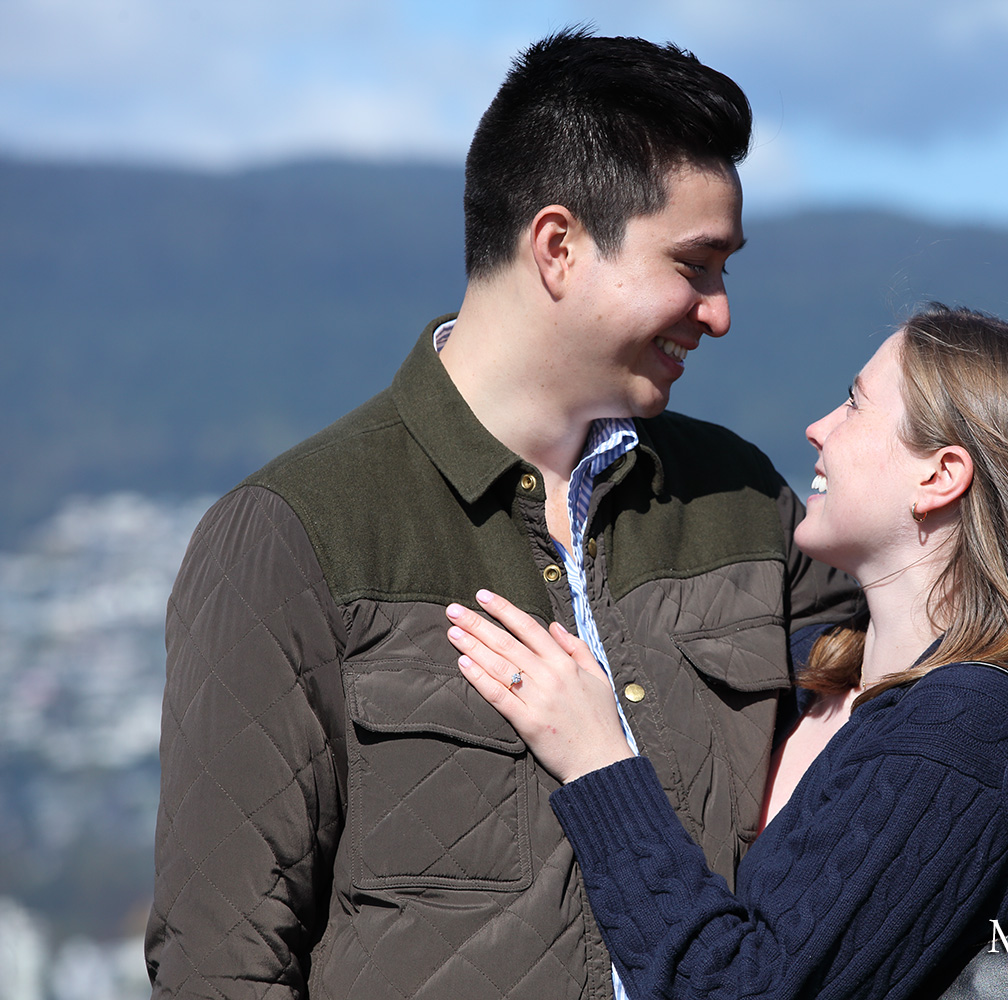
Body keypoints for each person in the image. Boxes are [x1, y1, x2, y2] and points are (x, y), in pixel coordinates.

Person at [147, 30, 860, 1000]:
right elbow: (219, 961)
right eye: (695, 266)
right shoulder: (290, 536)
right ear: (558, 247)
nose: (720, 311)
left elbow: (933, 700)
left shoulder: (746, 504)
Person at [444, 304, 1008, 1000]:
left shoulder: (967, 739)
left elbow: (746, 989)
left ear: (939, 477)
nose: (819, 428)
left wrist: (597, 762)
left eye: (854, 404)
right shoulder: (828, 675)